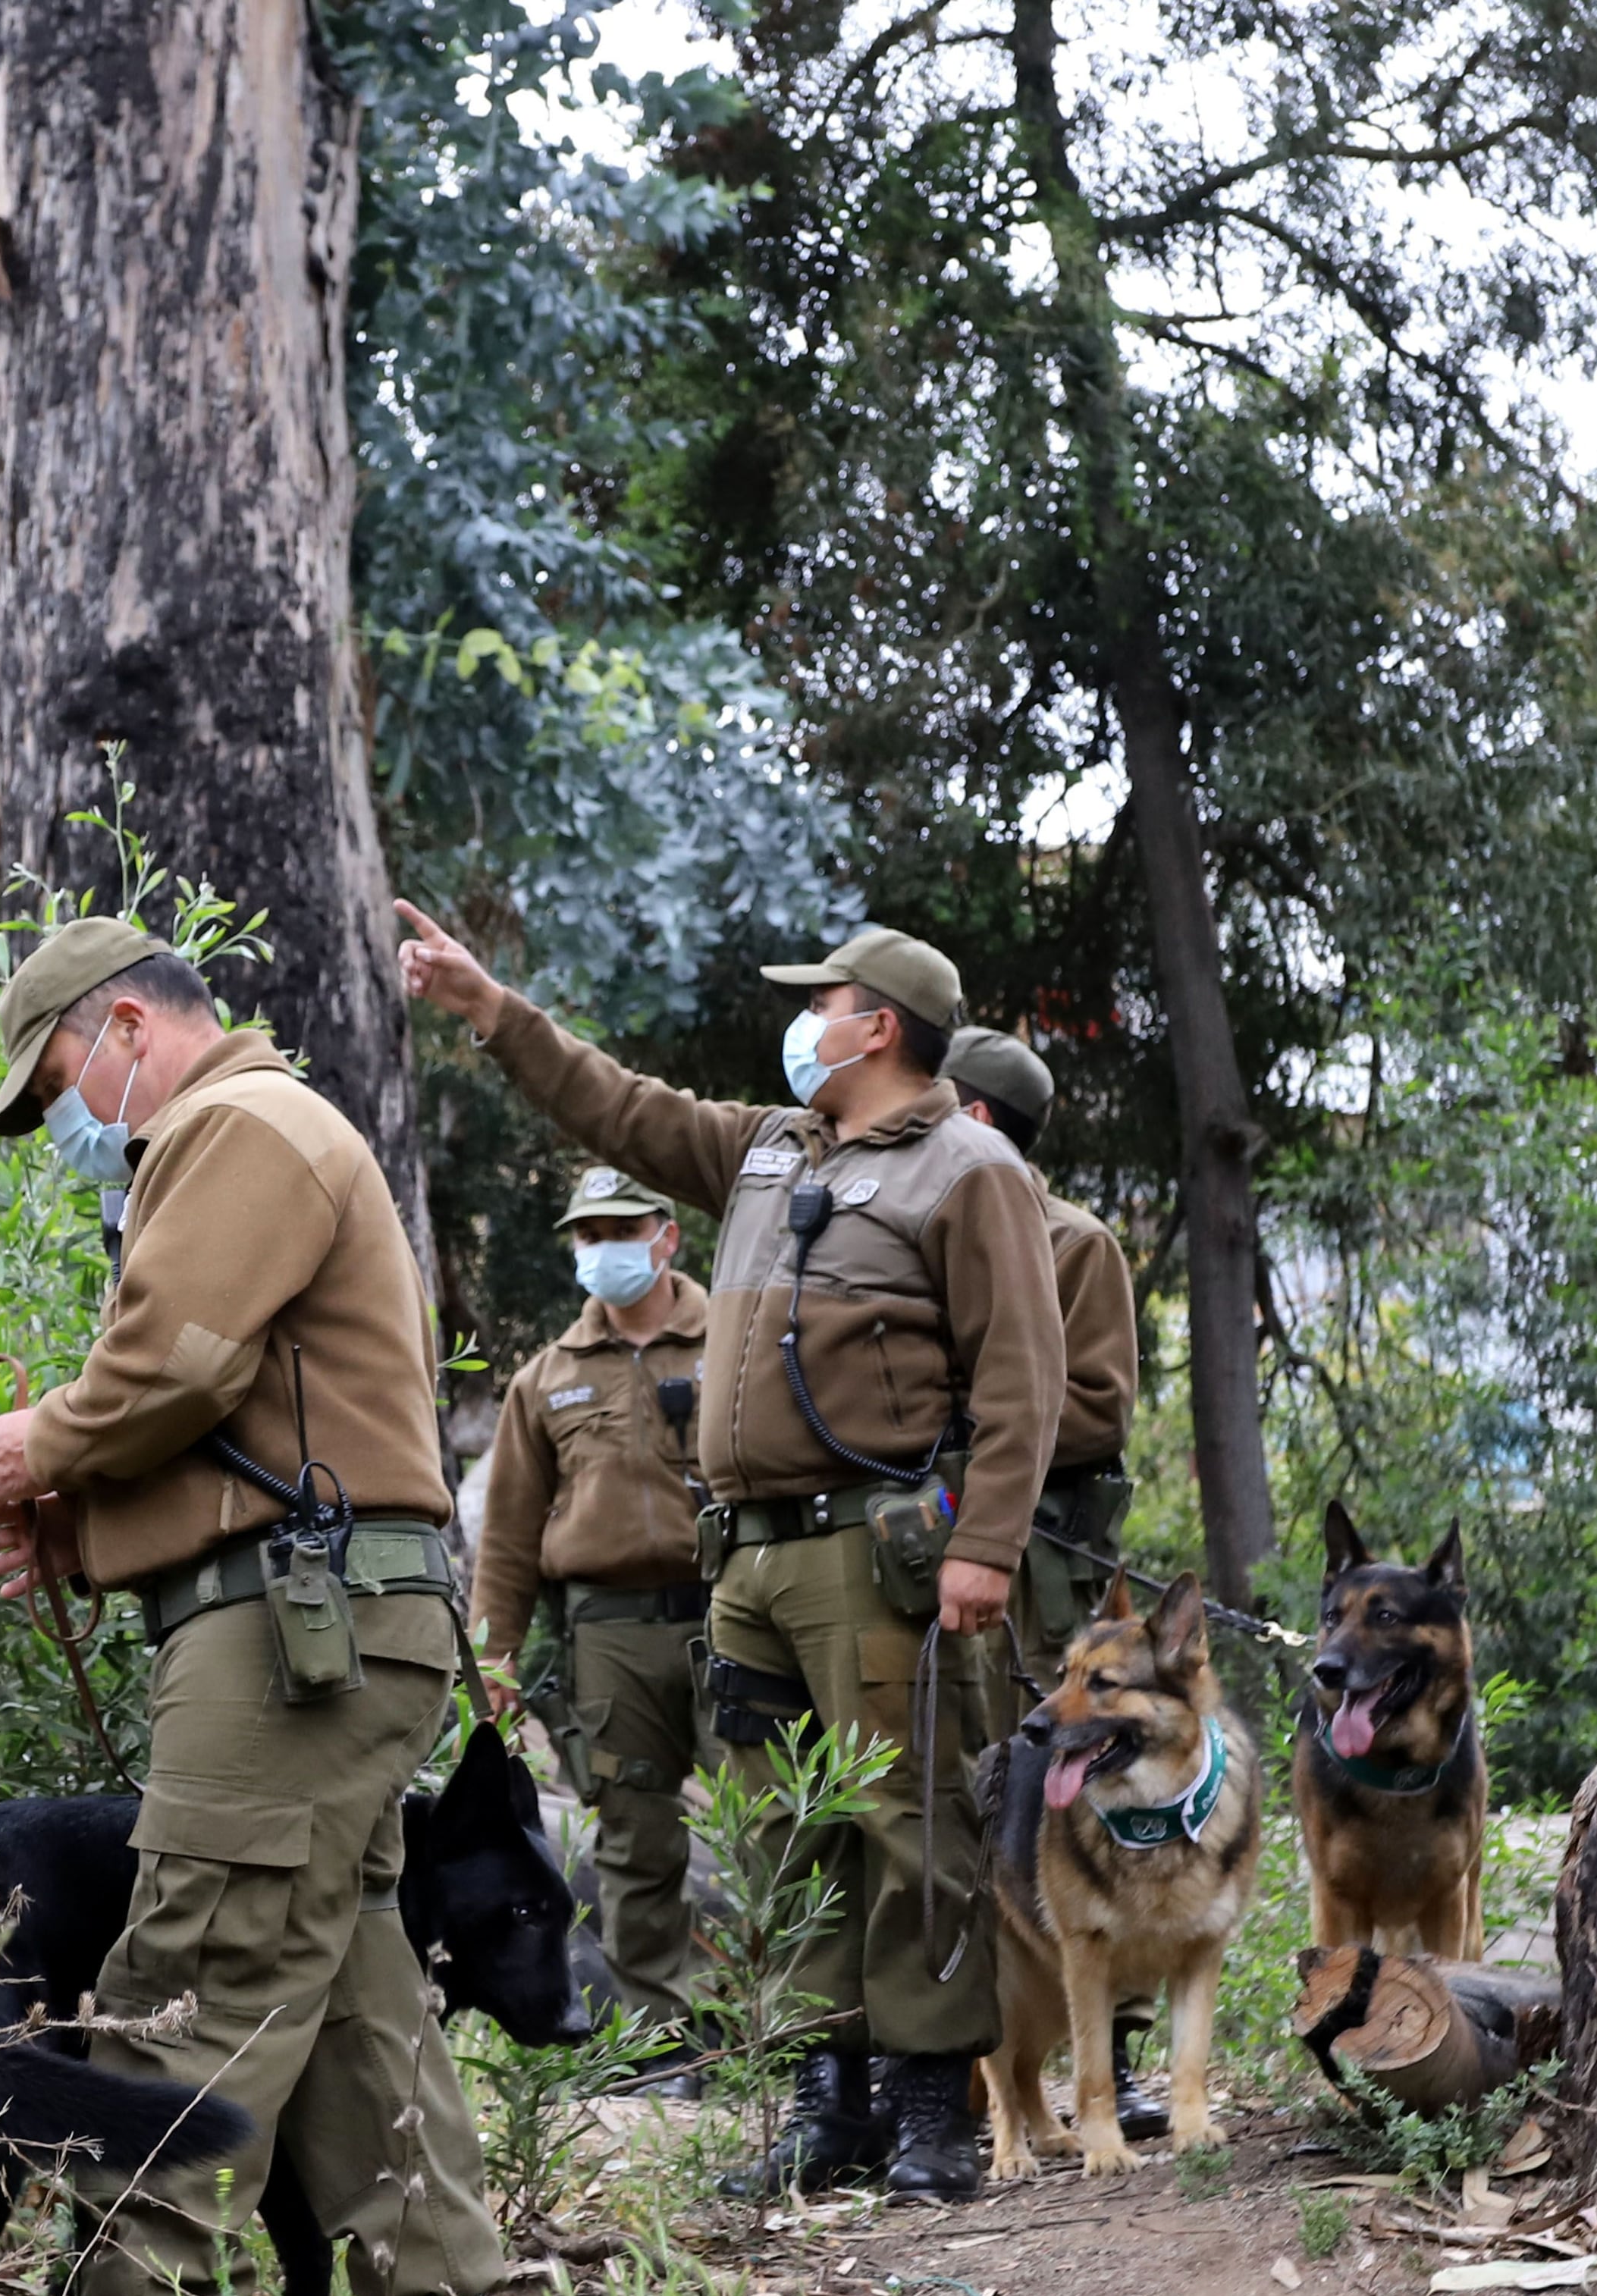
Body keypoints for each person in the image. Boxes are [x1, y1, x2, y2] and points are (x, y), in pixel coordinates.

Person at [0, 914, 527, 2296]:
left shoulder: (237, 1123)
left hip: (295, 1636)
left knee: (183, 1985)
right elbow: (252, 1424)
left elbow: (181, 1365)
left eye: (57, 1078)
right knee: (355, 2006)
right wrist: (77, 1532)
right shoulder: (244, 1135)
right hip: (314, 1622)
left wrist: (40, 1445)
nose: (60, 1122)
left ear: (128, 1024)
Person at [394, 904, 1062, 2203]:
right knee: (777, 1834)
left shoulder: (967, 1173)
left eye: (823, 1003)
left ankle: (932, 2105)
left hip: (878, 1552)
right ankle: (828, 2095)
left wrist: (986, 1545)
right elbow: (623, 1109)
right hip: (746, 1563)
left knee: (907, 1823)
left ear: (878, 1024)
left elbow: (1024, 1378)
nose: (804, 1022)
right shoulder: (768, 1151)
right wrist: (493, 1012)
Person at [939, 1023, 1160, 2136]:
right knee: (960, 1800)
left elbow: (1099, 1407)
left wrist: (969, 1425)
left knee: (1083, 1799)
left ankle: (1115, 2062)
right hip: (945, 1559)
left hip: (1050, 1571)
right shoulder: (923, 1228)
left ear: (972, 1117)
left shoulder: (1076, 1244)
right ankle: (969, 2065)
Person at [471, 1168, 711, 2083]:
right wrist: (492, 1657)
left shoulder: (731, 1339)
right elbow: (507, 1539)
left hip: (731, 1614)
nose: (601, 1248)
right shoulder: (546, 1378)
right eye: (585, 1234)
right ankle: (661, 2040)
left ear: (665, 1234)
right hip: (607, 1633)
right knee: (633, 1840)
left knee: (779, 1815)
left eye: (621, 1227)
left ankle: (798, 2039)